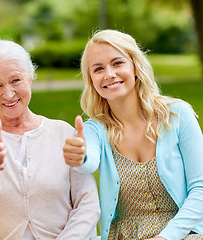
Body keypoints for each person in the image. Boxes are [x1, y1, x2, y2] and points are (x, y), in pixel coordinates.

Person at [63, 29, 203, 240]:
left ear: (135, 66)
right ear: (91, 79)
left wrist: (166, 237)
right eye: (98, 69)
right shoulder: (93, 129)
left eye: (117, 63)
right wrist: (80, 156)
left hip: (185, 233)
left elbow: (200, 188)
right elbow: (88, 161)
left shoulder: (177, 115)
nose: (109, 74)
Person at [0, 40, 100, 240]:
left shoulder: (63, 133)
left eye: (16, 80)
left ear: (31, 78)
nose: (8, 94)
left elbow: (88, 205)